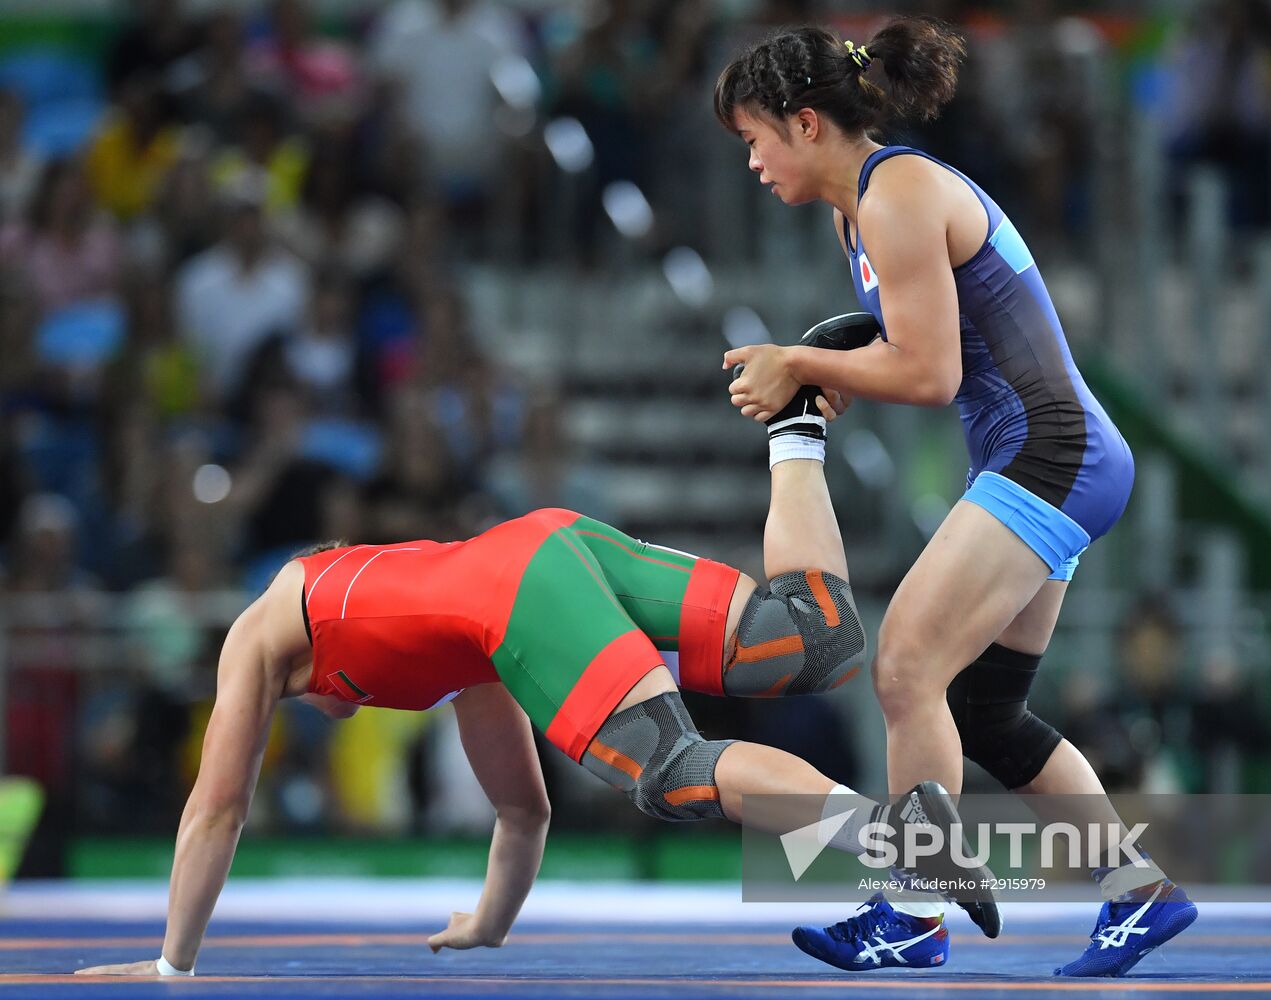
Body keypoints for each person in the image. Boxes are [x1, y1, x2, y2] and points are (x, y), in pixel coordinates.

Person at [73, 324, 964, 978]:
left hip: (515, 590)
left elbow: (216, 809)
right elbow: (523, 813)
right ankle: (796, 427)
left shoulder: (259, 635)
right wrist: (488, 925)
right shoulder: (449, 652)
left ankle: (899, 843)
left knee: (674, 770)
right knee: (809, 638)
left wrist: (170, 966)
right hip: (544, 544)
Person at [715, 17, 1195, 977]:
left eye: (755, 139)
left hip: (1047, 453)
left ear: (806, 123)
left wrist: (802, 359)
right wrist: (847, 359)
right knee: (981, 711)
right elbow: (929, 336)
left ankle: (912, 910)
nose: (755, 162)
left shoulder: (895, 192)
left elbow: (931, 373)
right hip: (1049, 455)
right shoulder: (861, 207)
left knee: (905, 667)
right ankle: (1137, 895)